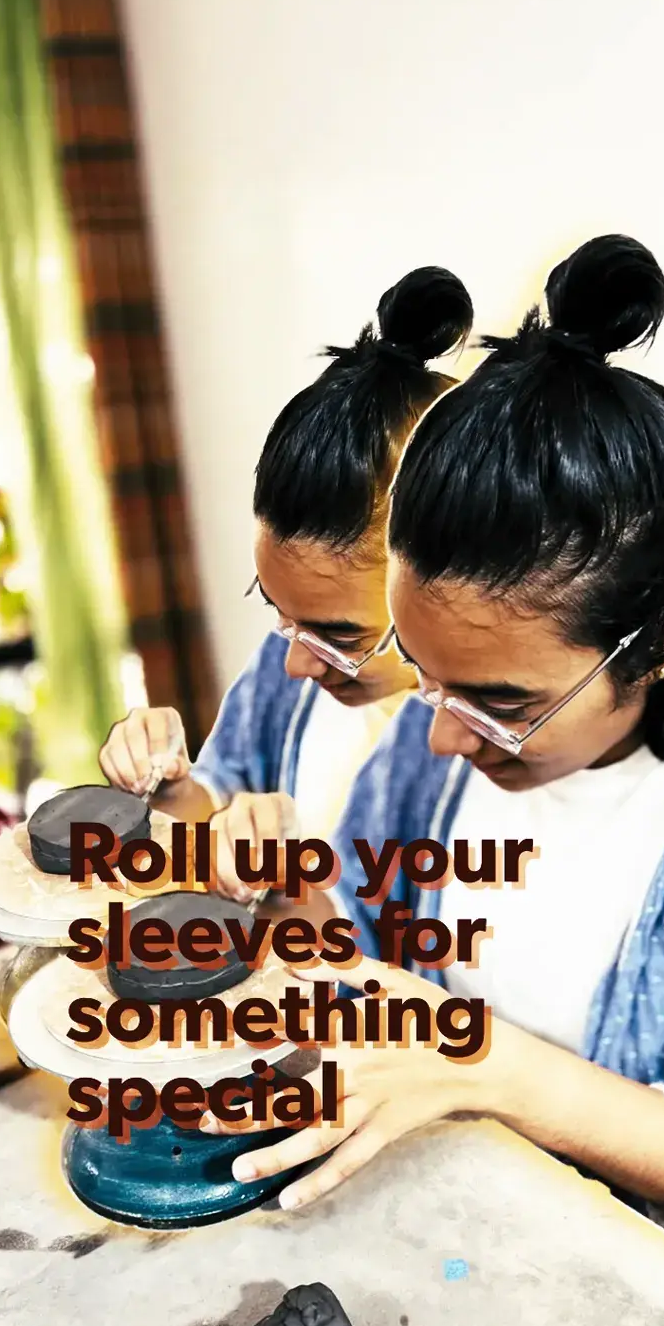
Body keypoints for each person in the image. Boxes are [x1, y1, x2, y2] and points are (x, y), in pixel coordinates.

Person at [218, 234, 664, 1326]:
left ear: (658, 641)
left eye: (499, 700)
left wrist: (499, 1070)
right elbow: (371, 989)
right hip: (471, 1273)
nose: (442, 733)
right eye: (420, 671)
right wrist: (293, 898)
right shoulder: (438, 737)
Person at [98, 267, 473, 895]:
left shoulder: (507, 757)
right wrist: (173, 789)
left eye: (340, 636)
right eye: (279, 611)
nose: (296, 661)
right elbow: (214, 814)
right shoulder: (286, 672)